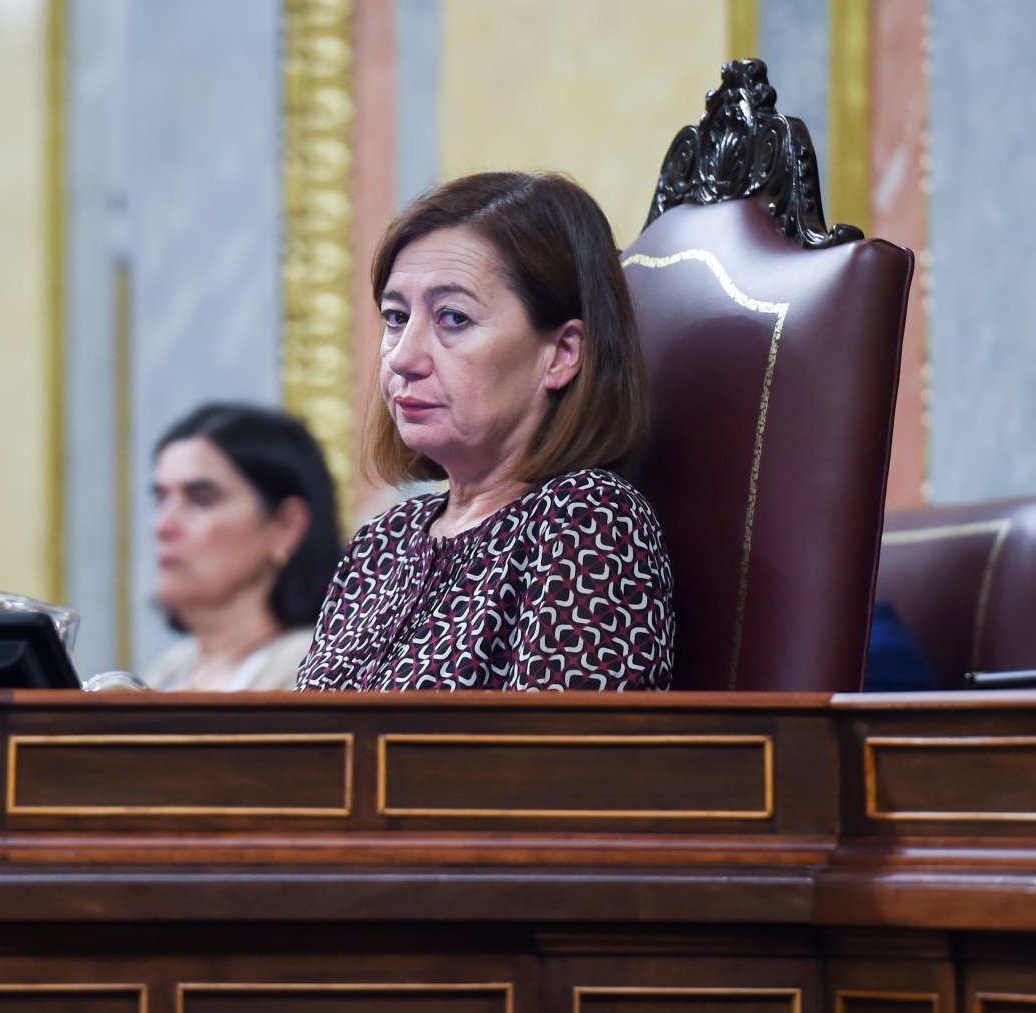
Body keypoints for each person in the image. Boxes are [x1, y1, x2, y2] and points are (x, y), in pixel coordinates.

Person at [295, 171, 675, 692]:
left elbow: (563, 764)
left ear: (562, 355)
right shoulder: (380, 543)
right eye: (395, 316)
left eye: (452, 317)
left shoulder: (586, 522)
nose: (403, 357)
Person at [143, 403, 343, 691]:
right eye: (161, 498)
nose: (162, 525)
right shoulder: (170, 671)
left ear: (286, 526)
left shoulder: (315, 675)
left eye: (201, 499)